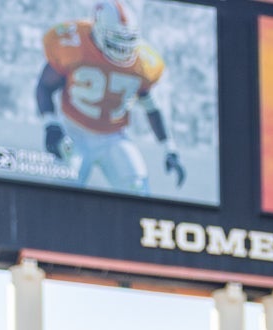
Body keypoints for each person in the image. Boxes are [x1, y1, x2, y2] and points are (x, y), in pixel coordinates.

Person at [35, 1, 184, 196]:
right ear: (97, 30)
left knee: (138, 189)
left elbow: (151, 107)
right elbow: (45, 86)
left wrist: (169, 147)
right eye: (116, 38)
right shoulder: (74, 43)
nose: (123, 48)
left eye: (128, 39)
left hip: (114, 137)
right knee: (62, 193)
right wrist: (51, 124)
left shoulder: (143, 62)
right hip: (73, 131)